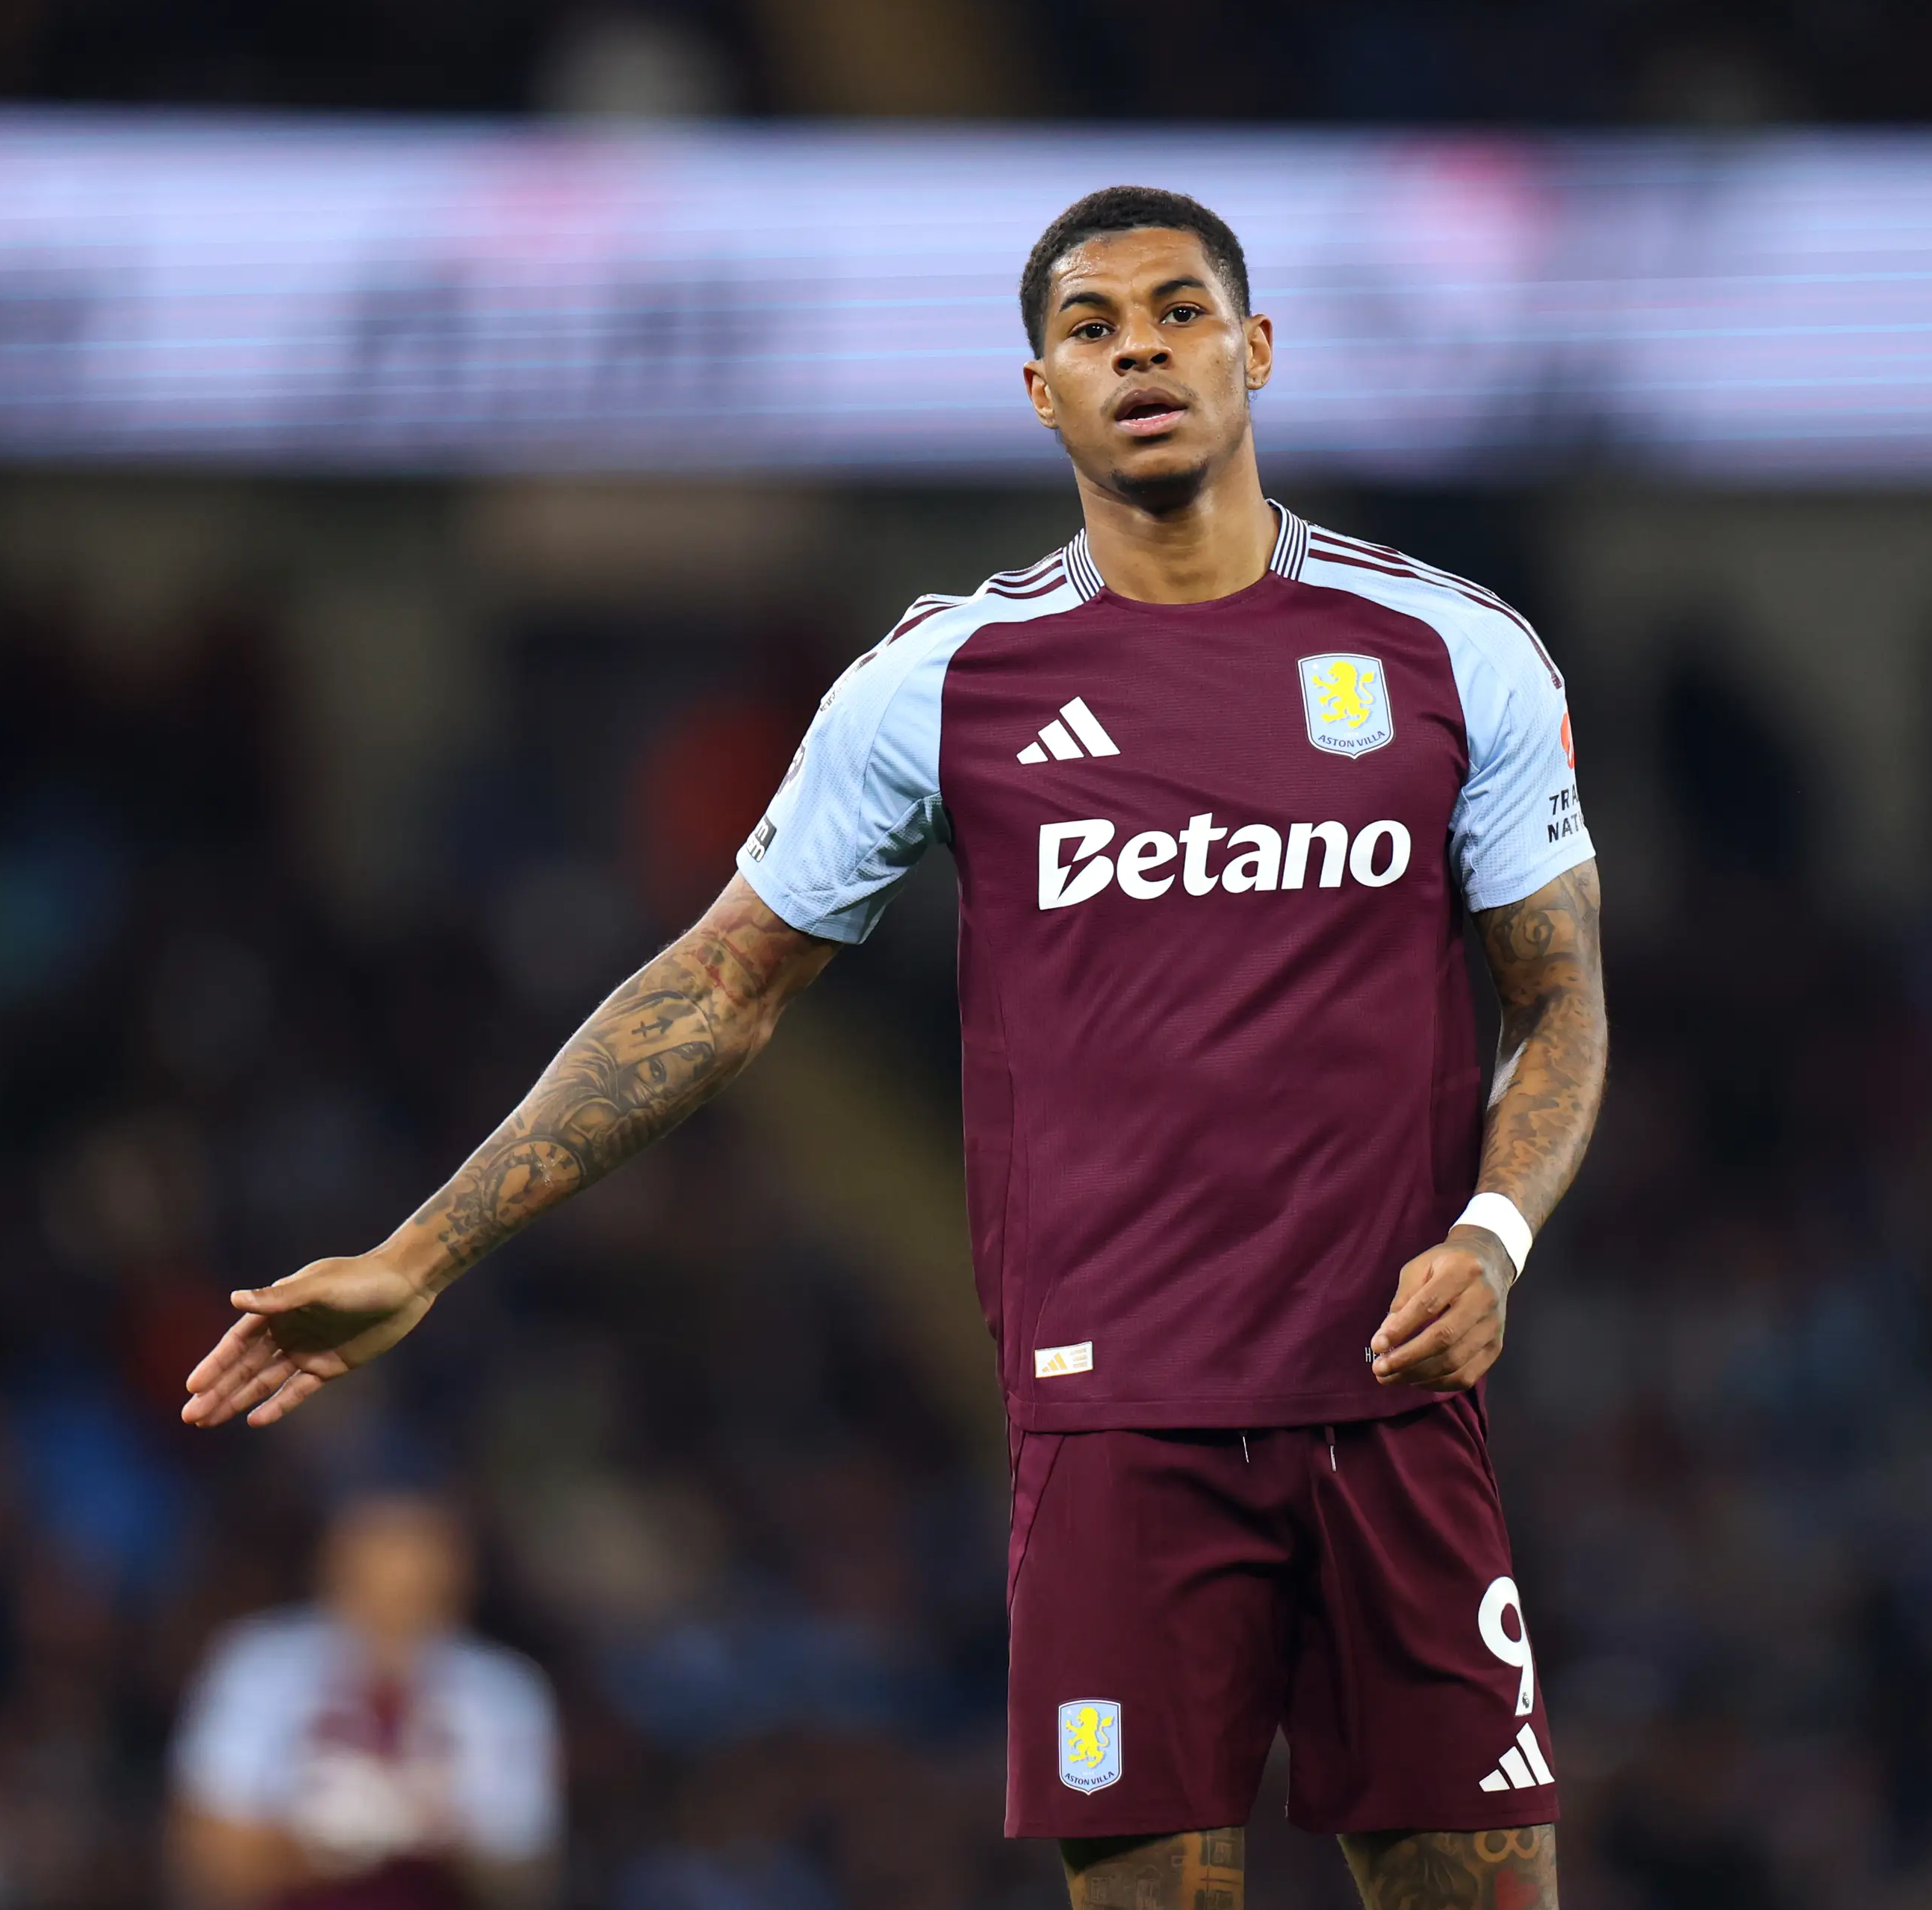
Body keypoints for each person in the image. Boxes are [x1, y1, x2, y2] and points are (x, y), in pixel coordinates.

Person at [183, 185, 1606, 1910]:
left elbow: (1557, 994)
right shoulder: (944, 679)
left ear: (1255, 348)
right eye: (1090, 327)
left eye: (1177, 311)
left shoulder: (1452, 649)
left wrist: (1492, 1233)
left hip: (1392, 1408)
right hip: (1116, 1427)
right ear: (1040, 391)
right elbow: (721, 982)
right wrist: (421, 1251)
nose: (1139, 350)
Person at [168, 1491, 560, 1910]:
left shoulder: (502, 1690)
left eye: (418, 1591)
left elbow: (524, 1875)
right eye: (377, 1585)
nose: (394, 1612)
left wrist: (428, 1827)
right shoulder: (261, 1664)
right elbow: (210, 1852)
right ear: (336, 1575)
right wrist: (325, 1841)